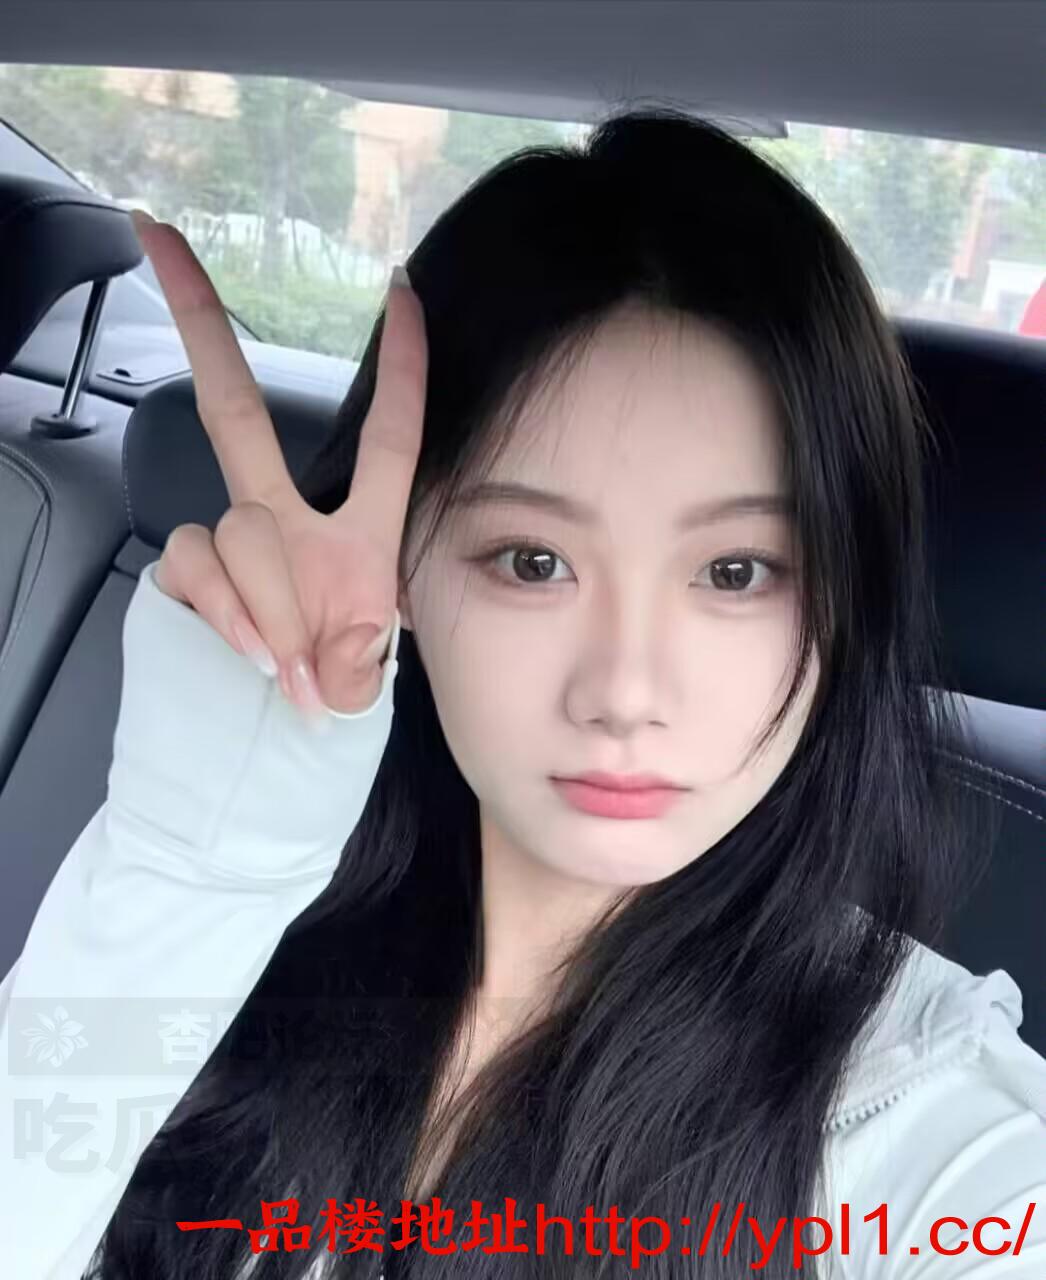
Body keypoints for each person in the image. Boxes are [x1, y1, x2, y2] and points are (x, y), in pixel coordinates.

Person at [0, 109, 1043, 1280]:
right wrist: (195, 869)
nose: (624, 690)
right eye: (532, 561)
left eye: (735, 572)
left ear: (844, 596)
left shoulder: (940, 1136)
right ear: (402, 567)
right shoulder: (233, 920)